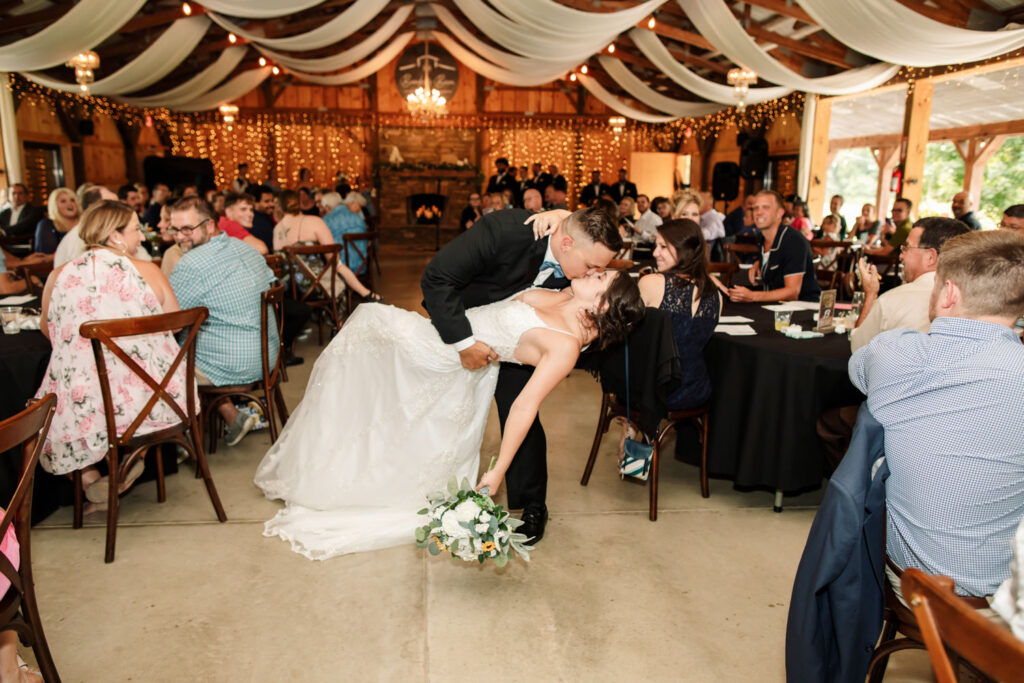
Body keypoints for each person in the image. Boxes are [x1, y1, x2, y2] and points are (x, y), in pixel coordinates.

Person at [254, 265, 643, 560]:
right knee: (369, 368)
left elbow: (525, 405)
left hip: (444, 354)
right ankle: (330, 462)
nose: (593, 271)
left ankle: (336, 472)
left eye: (601, 278)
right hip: (450, 339)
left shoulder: (565, 347)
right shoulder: (566, 296)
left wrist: (498, 471)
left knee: (368, 325)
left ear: (603, 304)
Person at [418, 206, 623, 545]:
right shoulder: (505, 231)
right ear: (567, 244)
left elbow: (610, 297)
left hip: (522, 342)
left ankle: (531, 504)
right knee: (439, 409)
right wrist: (464, 342)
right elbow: (436, 277)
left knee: (522, 411)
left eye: (599, 270)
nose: (592, 275)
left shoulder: (581, 271)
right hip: (461, 325)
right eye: (591, 267)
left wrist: (564, 212)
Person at [850, 230, 1024, 598]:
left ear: (948, 294)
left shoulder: (894, 354)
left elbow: (857, 367)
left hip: (916, 583)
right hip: (1006, 593)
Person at [35, 200, 188, 511]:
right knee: (139, 397)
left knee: (48, 411)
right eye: (136, 230)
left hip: (83, 404)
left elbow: (48, 331)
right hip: (151, 398)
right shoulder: (148, 270)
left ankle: (92, 479)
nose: (143, 237)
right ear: (115, 235)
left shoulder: (59, 275)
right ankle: (132, 460)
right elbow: (174, 323)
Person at [167, 197, 275, 446]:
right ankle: (230, 416)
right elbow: (271, 281)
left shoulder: (190, 264)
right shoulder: (245, 247)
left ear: (210, 225)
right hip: (268, 355)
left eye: (187, 229)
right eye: (175, 229)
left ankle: (175, 443)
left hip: (233, 366)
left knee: (160, 360)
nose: (179, 237)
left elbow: (171, 322)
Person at [851, 217, 970, 352]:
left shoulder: (892, 302)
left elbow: (858, 350)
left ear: (930, 257)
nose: (901, 256)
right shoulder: (981, 303)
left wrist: (870, 295)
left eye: (906, 248)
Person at [639, 219, 721, 411]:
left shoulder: (652, 282)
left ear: (685, 250)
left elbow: (632, 339)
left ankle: (632, 429)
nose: (654, 253)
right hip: (697, 390)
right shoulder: (715, 293)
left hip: (657, 391)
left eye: (663, 247)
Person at [272, 190, 378, 301]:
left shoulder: (277, 229)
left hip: (289, 292)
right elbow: (334, 261)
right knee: (337, 268)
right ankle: (366, 295)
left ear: (280, 206)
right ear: (299, 203)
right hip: (317, 287)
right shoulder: (315, 222)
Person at [727, 190, 821, 303]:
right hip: (775, 308)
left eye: (765, 207)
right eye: (755, 208)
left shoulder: (793, 240)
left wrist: (752, 296)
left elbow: (792, 292)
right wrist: (760, 262)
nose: (759, 212)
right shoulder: (762, 238)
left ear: (780, 213)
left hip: (803, 310)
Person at [323, 191, 369, 275]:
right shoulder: (358, 218)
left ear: (327, 207)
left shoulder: (327, 220)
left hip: (339, 267)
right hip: (360, 265)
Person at [33, 188, 79, 254]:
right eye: (63, 201)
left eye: (72, 200)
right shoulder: (46, 225)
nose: (70, 204)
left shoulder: (85, 222)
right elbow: (45, 256)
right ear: (54, 205)